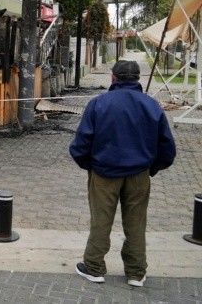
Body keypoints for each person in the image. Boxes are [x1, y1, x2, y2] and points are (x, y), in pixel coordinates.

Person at [69, 60, 176, 287]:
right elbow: (167, 147)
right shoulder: (152, 105)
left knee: (101, 221)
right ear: (137, 78)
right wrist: (151, 168)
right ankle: (136, 273)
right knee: (136, 223)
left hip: (104, 173)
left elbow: (80, 145)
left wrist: (91, 166)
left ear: (113, 77)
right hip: (139, 174)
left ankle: (94, 267)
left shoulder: (99, 104)